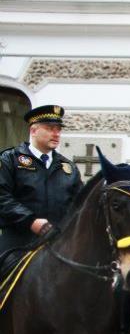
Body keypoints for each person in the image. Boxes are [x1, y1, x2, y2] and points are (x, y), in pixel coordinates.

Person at [0, 104, 81, 254]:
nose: (56, 134)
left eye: (59, 129)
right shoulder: (10, 159)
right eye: (50, 128)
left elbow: (79, 206)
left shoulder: (69, 168)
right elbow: (2, 197)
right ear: (33, 130)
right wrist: (30, 221)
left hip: (58, 248)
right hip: (17, 245)